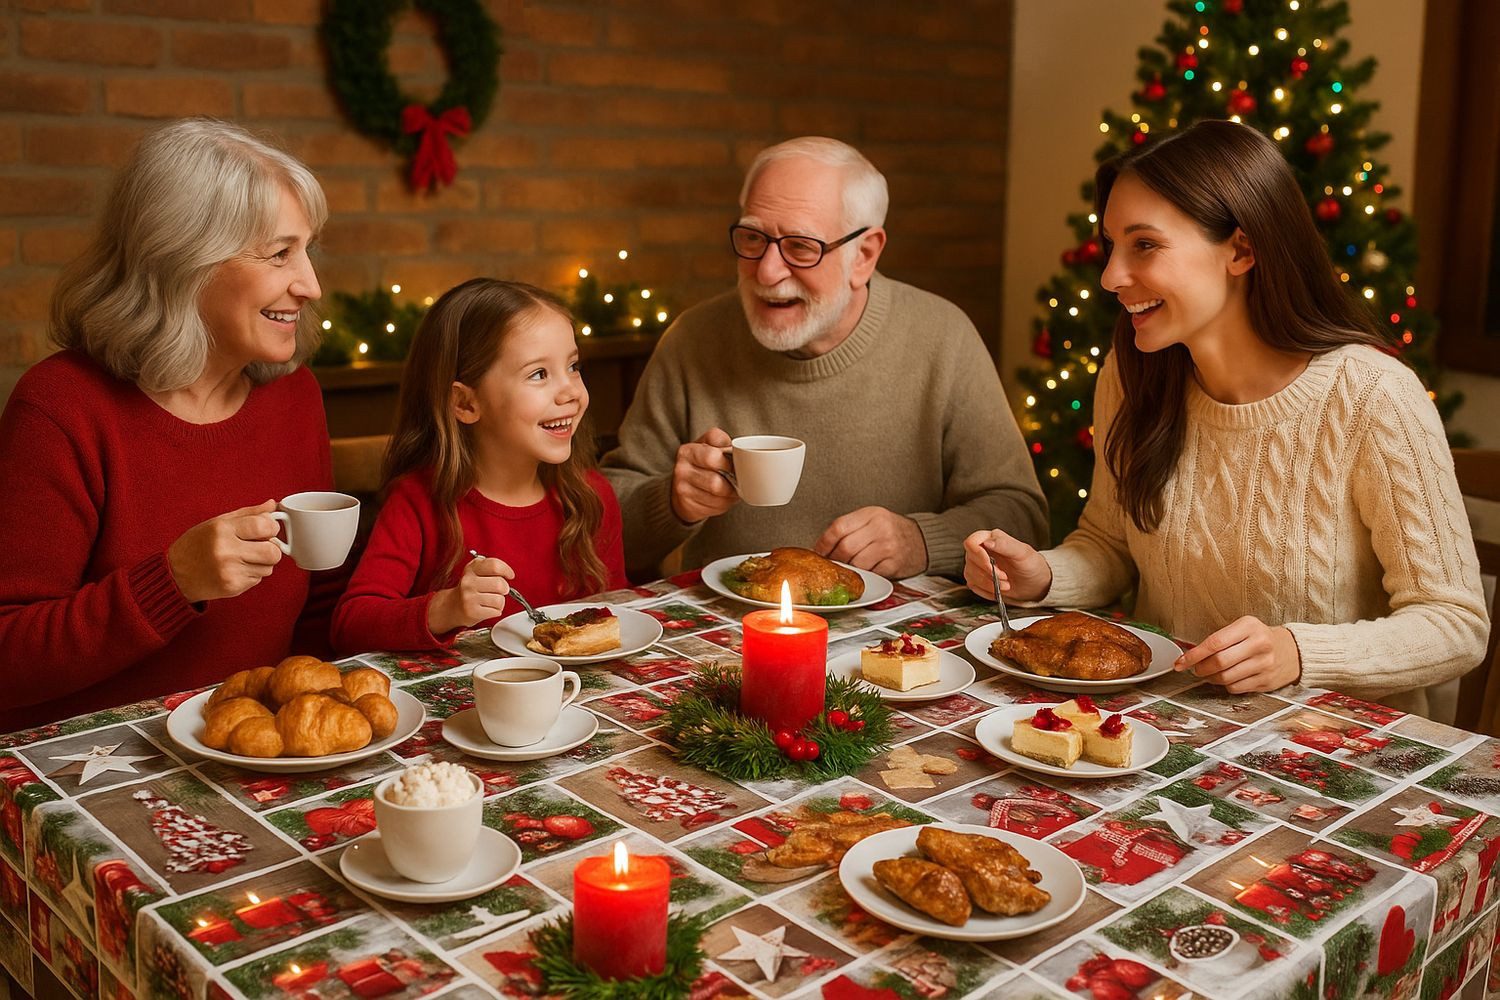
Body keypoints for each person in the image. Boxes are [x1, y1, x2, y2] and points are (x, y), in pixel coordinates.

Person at [964, 120, 1488, 717]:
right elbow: (1109, 544)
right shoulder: (1133, 375)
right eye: (1110, 244)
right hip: (1171, 729)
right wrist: (1041, 576)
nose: (1111, 276)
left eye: (1145, 244)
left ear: (1241, 249)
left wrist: (1299, 653)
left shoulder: (1370, 395)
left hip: (1332, 751)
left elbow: (1455, 624)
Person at [0, 118, 335, 733]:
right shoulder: (61, 406)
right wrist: (172, 581)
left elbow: (314, 614)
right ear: (184, 260)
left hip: (253, 756)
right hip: (89, 766)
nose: (310, 284)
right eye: (280, 253)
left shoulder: (294, 396)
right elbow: (7, 656)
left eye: (307, 250)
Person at [601, 136, 1046, 581]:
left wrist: (922, 540)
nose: (767, 272)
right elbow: (600, 525)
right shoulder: (693, 339)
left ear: (864, 256)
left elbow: (1023, 516)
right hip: (729, 634)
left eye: (800, 246)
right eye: (753, 238)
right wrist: (672, 502)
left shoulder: (942, 336)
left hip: (896, 640)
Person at [331, 279, 627, 653]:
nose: (570, 391)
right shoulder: (418, 502)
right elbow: (351, 625)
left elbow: (619, 617)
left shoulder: (591, 497)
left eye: (573, 366)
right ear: (466, 404)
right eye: (539, 374)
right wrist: (445, 608)